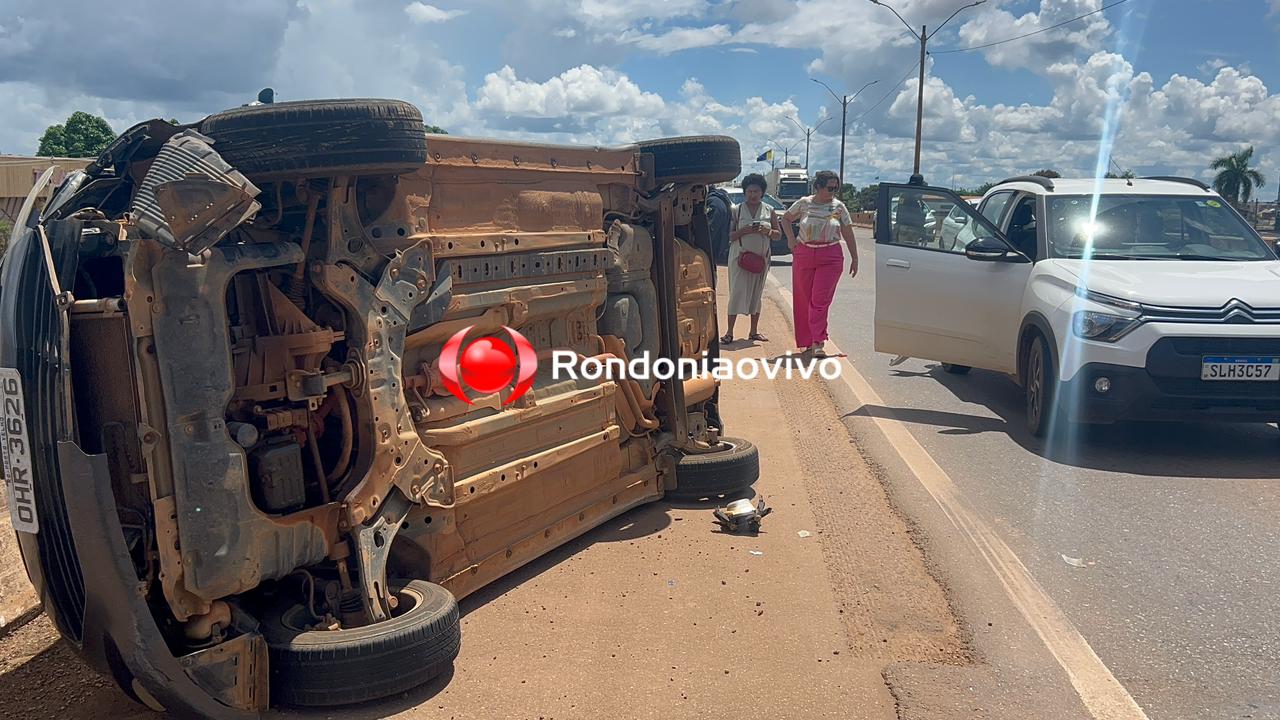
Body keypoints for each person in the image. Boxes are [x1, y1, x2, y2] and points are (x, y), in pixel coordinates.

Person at [781, 170, 857, 357]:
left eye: (835, 188)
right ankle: (806, 341)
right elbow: (785, 218)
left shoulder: (838, 207)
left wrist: (855, 257)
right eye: (830, 187)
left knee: (819, 300)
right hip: (805, 253)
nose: (833, 191)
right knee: (803, 299)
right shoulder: (804, 203)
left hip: (830, 255)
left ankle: (818, 341)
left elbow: (847, 232)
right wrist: (791, 240)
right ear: (818, 187)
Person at [722, 173, 779, 344]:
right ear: (745, 192)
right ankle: (729, 332)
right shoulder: (736, 210)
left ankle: (753, 331)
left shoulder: (770, 211)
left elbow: (777, 235)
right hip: (740, 258)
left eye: (756, 191)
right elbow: (730, 236)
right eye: (749, 191)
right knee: (736, 293)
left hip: (761, 259)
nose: (752, 194)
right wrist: (744, 231)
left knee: (757, 294)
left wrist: (766, 231)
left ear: (762, 192)